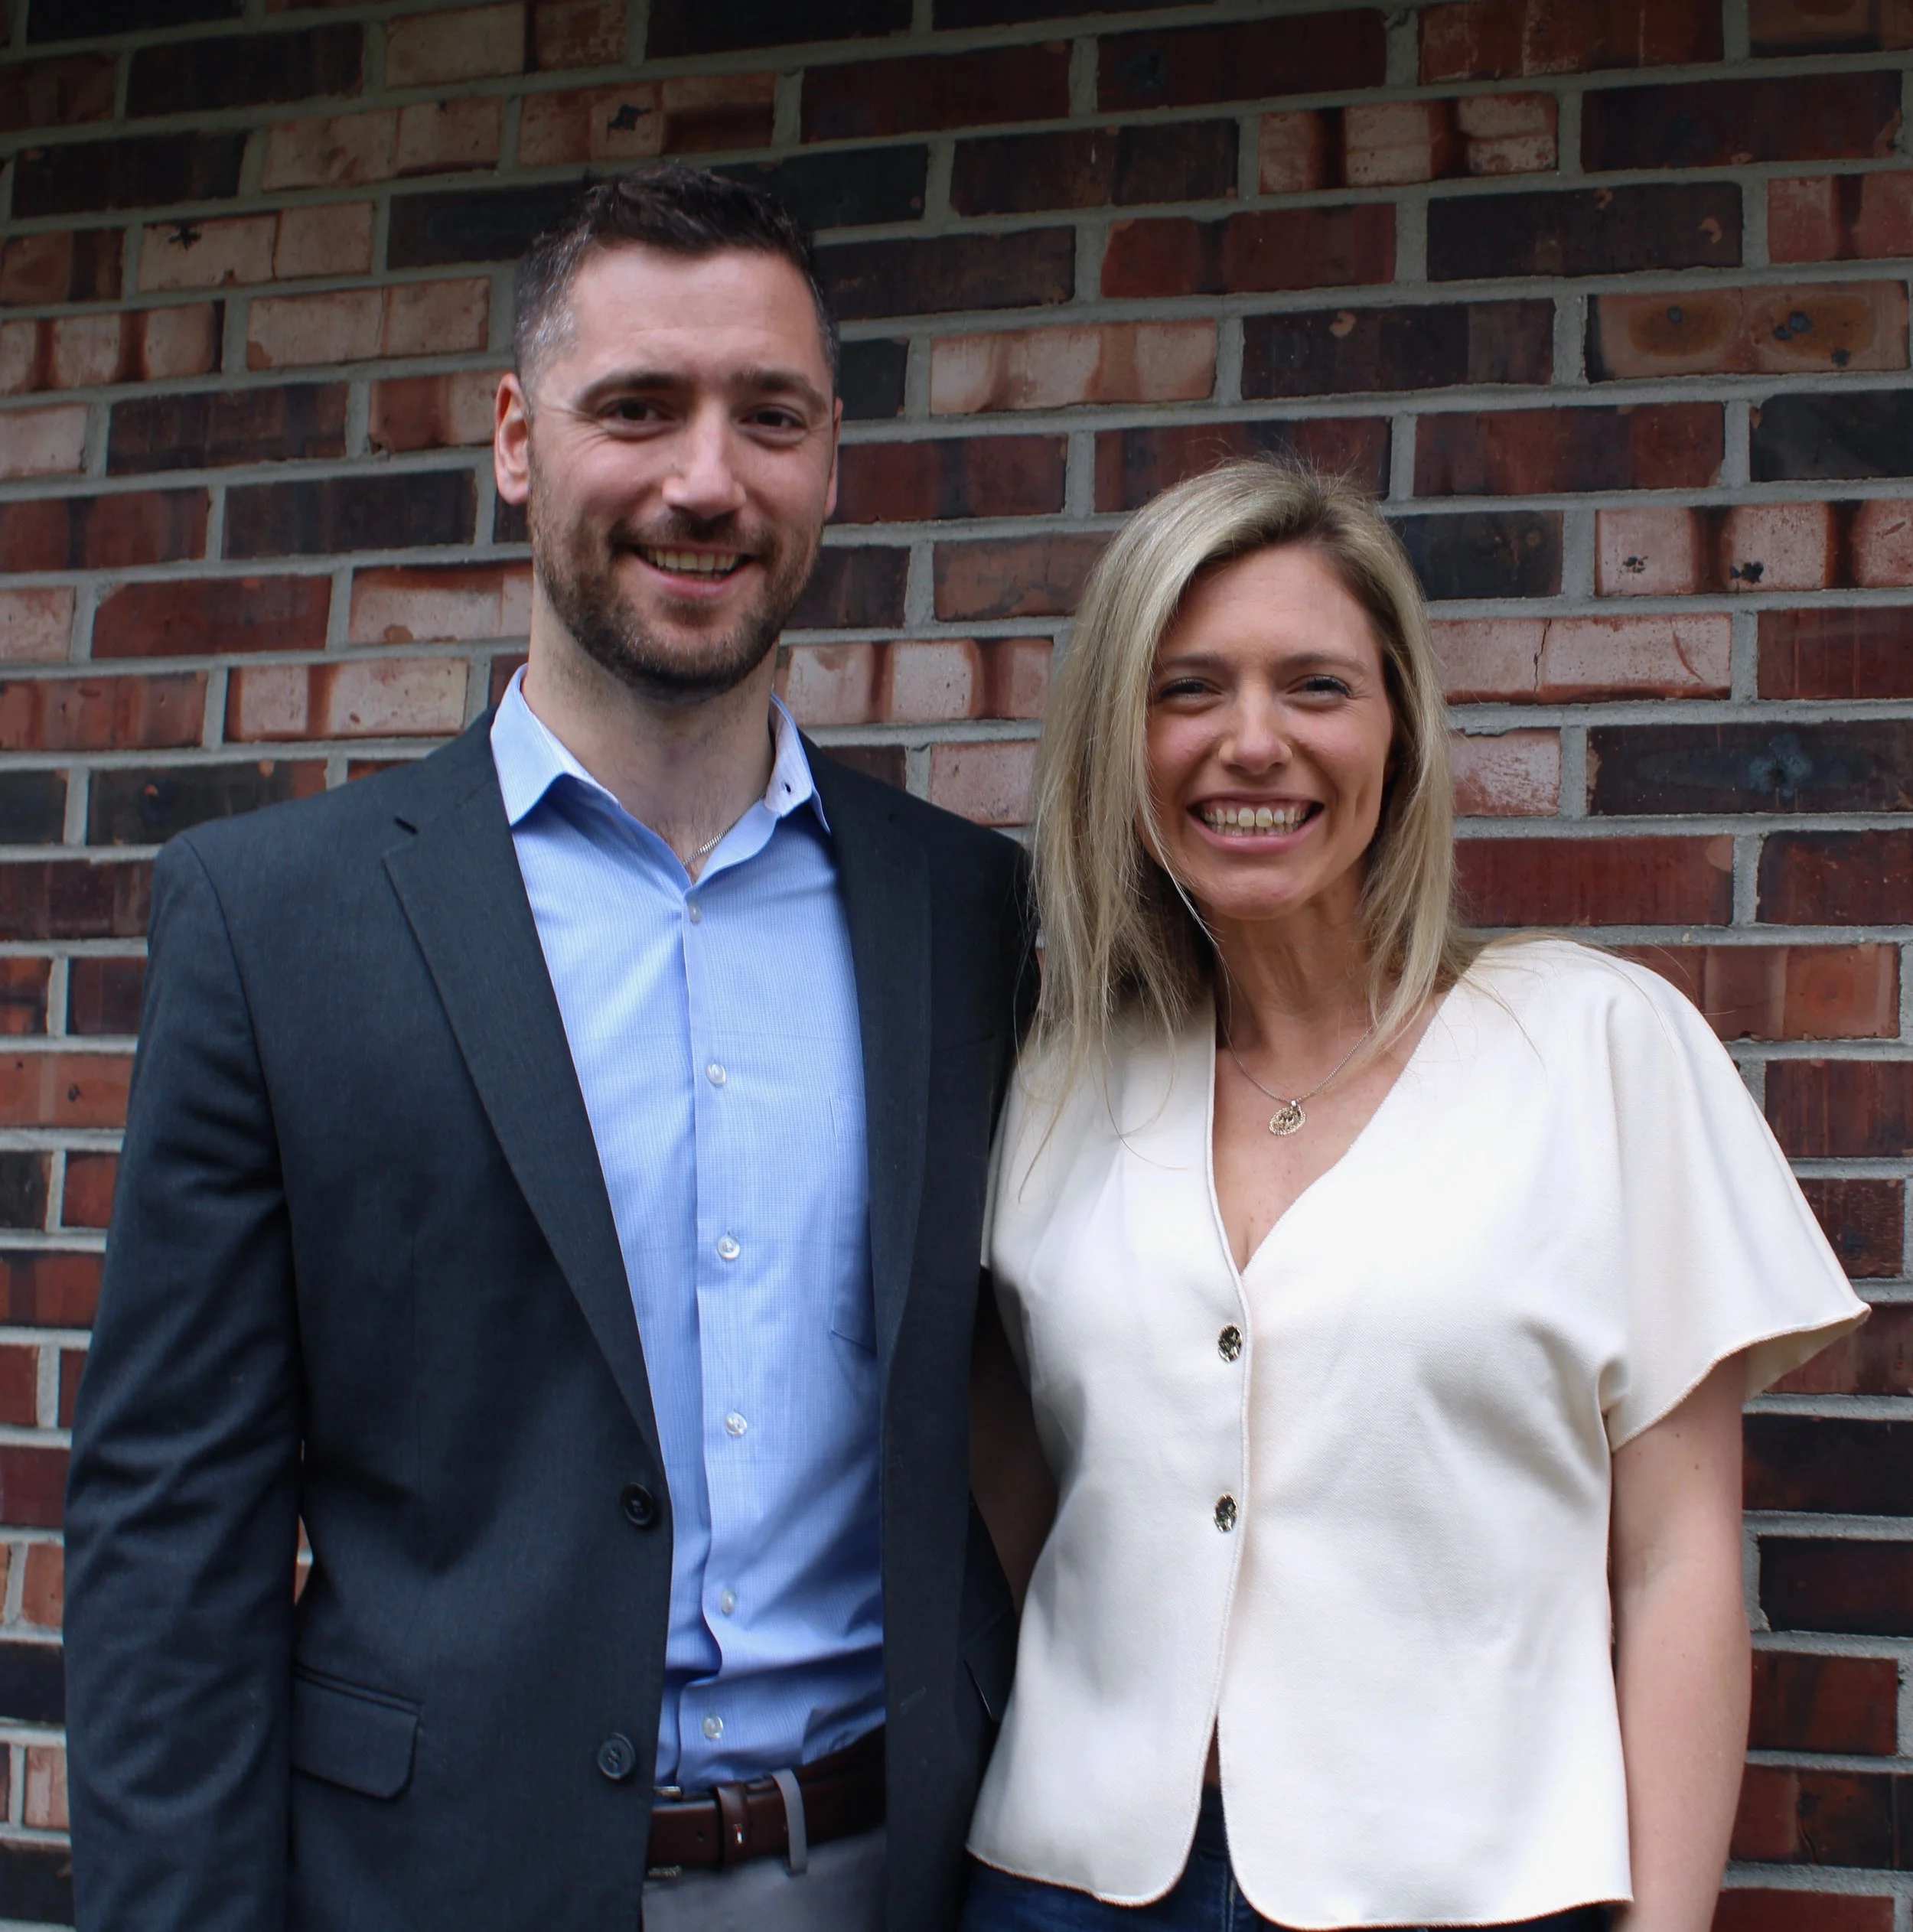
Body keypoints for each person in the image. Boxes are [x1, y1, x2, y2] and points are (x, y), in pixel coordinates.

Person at [64, 162, 1033, 1932]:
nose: (705, 480)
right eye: (637, 408)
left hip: (897, 1875)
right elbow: (170, 1531)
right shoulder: (280, 922)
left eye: (770, 416)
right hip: (436, 1886)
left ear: (830, 458)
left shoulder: (965, 914)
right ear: (517, 438)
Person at [960, 460, 1866, 1932]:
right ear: (1120, 740)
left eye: (1316, 686)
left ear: (1400, 727)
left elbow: (1678, 1564)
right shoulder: (1054, 1086)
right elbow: (1017, 1499)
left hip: (1470, 1894)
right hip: (1063, 1887)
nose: (1254, 742)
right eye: (1189, 690)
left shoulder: (1596, 1048)